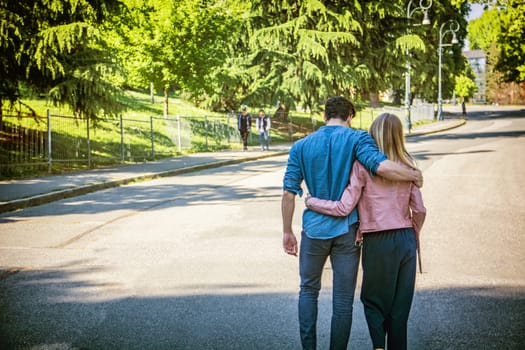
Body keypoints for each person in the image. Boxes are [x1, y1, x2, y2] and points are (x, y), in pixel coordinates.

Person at [281, 96, 423, 350]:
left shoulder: (300, 146)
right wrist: (414, 175)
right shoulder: (358, 139)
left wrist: (286, 231)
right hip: (347, 230)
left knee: (308, 290)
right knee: (343, 301)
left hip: (313, 230)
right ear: (350, 116)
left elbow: (288, 193)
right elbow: (380, 166)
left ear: (325, 116)